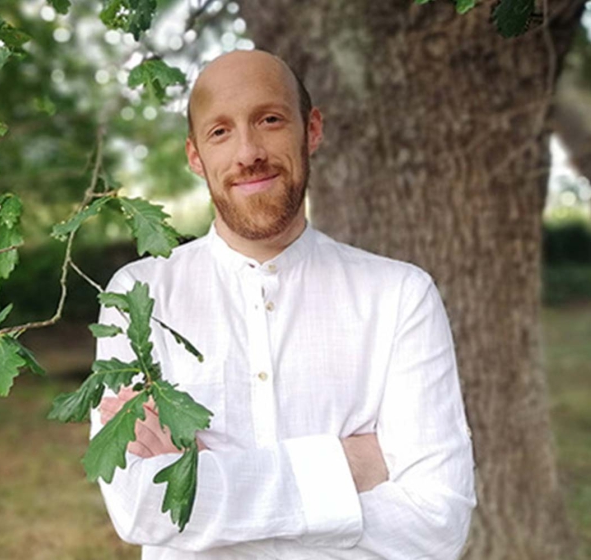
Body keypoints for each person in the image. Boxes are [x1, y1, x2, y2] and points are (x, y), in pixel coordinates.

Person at [90, 50, 476, 559]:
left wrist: (205, 476)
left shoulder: (400, 296)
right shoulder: (138, 298)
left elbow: (437, 522)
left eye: (269, 120)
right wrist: (350, 466)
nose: (248, 151)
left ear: (310, 130)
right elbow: (140, 507)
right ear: (195, 156)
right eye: (220, 132)